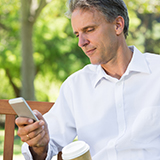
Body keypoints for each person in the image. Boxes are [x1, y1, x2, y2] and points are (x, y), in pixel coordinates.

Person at [16, 0, 160, 160]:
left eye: (89, 30)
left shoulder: (157, 73)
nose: (81, 42)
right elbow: (46, 145)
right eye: (77, 34)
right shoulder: (76, 86)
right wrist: (39, 143)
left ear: (118, 25)